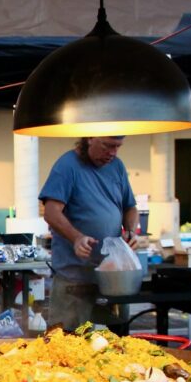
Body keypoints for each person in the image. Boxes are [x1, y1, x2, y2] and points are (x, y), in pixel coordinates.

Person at [39, 136, 140, 331]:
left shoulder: (117, 166)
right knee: (66, 343)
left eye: (118, 147)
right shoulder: (67, 166)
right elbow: (51, 212)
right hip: (75, 279)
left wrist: (130, 231)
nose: (112, 153)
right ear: (90, 138)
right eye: (107, 146)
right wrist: (76, 238)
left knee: (117, 347)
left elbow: (130, 207)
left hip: (113, 277)